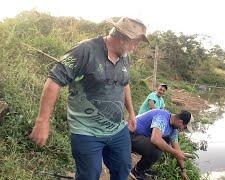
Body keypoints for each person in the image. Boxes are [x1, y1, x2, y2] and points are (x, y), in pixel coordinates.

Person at [29, 17, 149, 180]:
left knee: (122, 169)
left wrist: (132, 113)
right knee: (89, 175)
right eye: (135, 42)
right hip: (86, 131)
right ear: (121, 37)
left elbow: (124, 84)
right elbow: (54, 81)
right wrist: (42, 121)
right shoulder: (86, 50)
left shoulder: (125, 56)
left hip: (117, 129)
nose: (135, 48)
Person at [130, 109, 193, 180]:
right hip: (130, 135)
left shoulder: (173, 130)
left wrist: (183, 170)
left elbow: (177, 150)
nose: (182, 130)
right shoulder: (162, 117)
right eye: (184, 127)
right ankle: (136, 171)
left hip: (141, 137)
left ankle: (142, 168)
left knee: (164, 142)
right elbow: (155, 139)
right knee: (157, 150)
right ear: (180, 122)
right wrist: (175, 152)